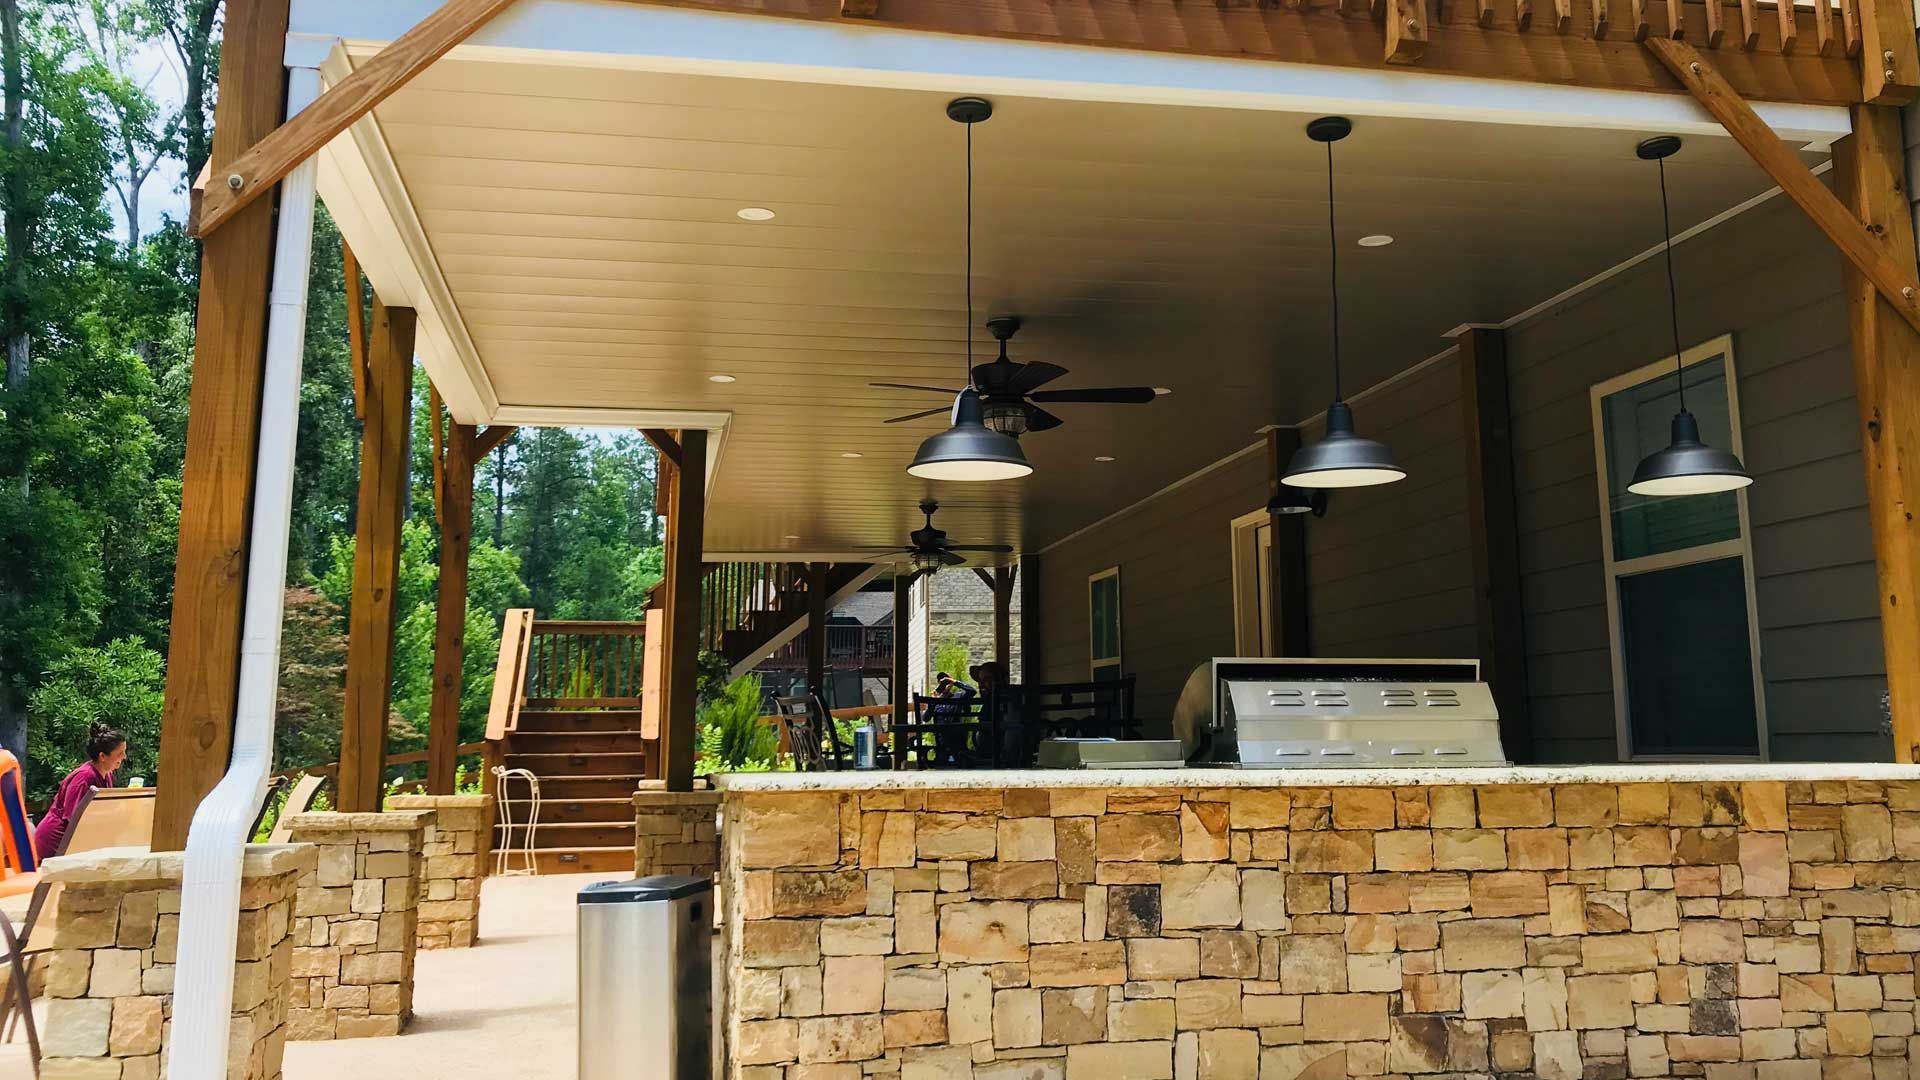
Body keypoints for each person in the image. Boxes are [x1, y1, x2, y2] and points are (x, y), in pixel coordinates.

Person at [35, 722, 126, 857]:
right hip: (56, 843)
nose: (124, 757)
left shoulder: (108, 775)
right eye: (120, 753)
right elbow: (74, 817)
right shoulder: (84, 777)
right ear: (102, 756)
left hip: (77, 843)